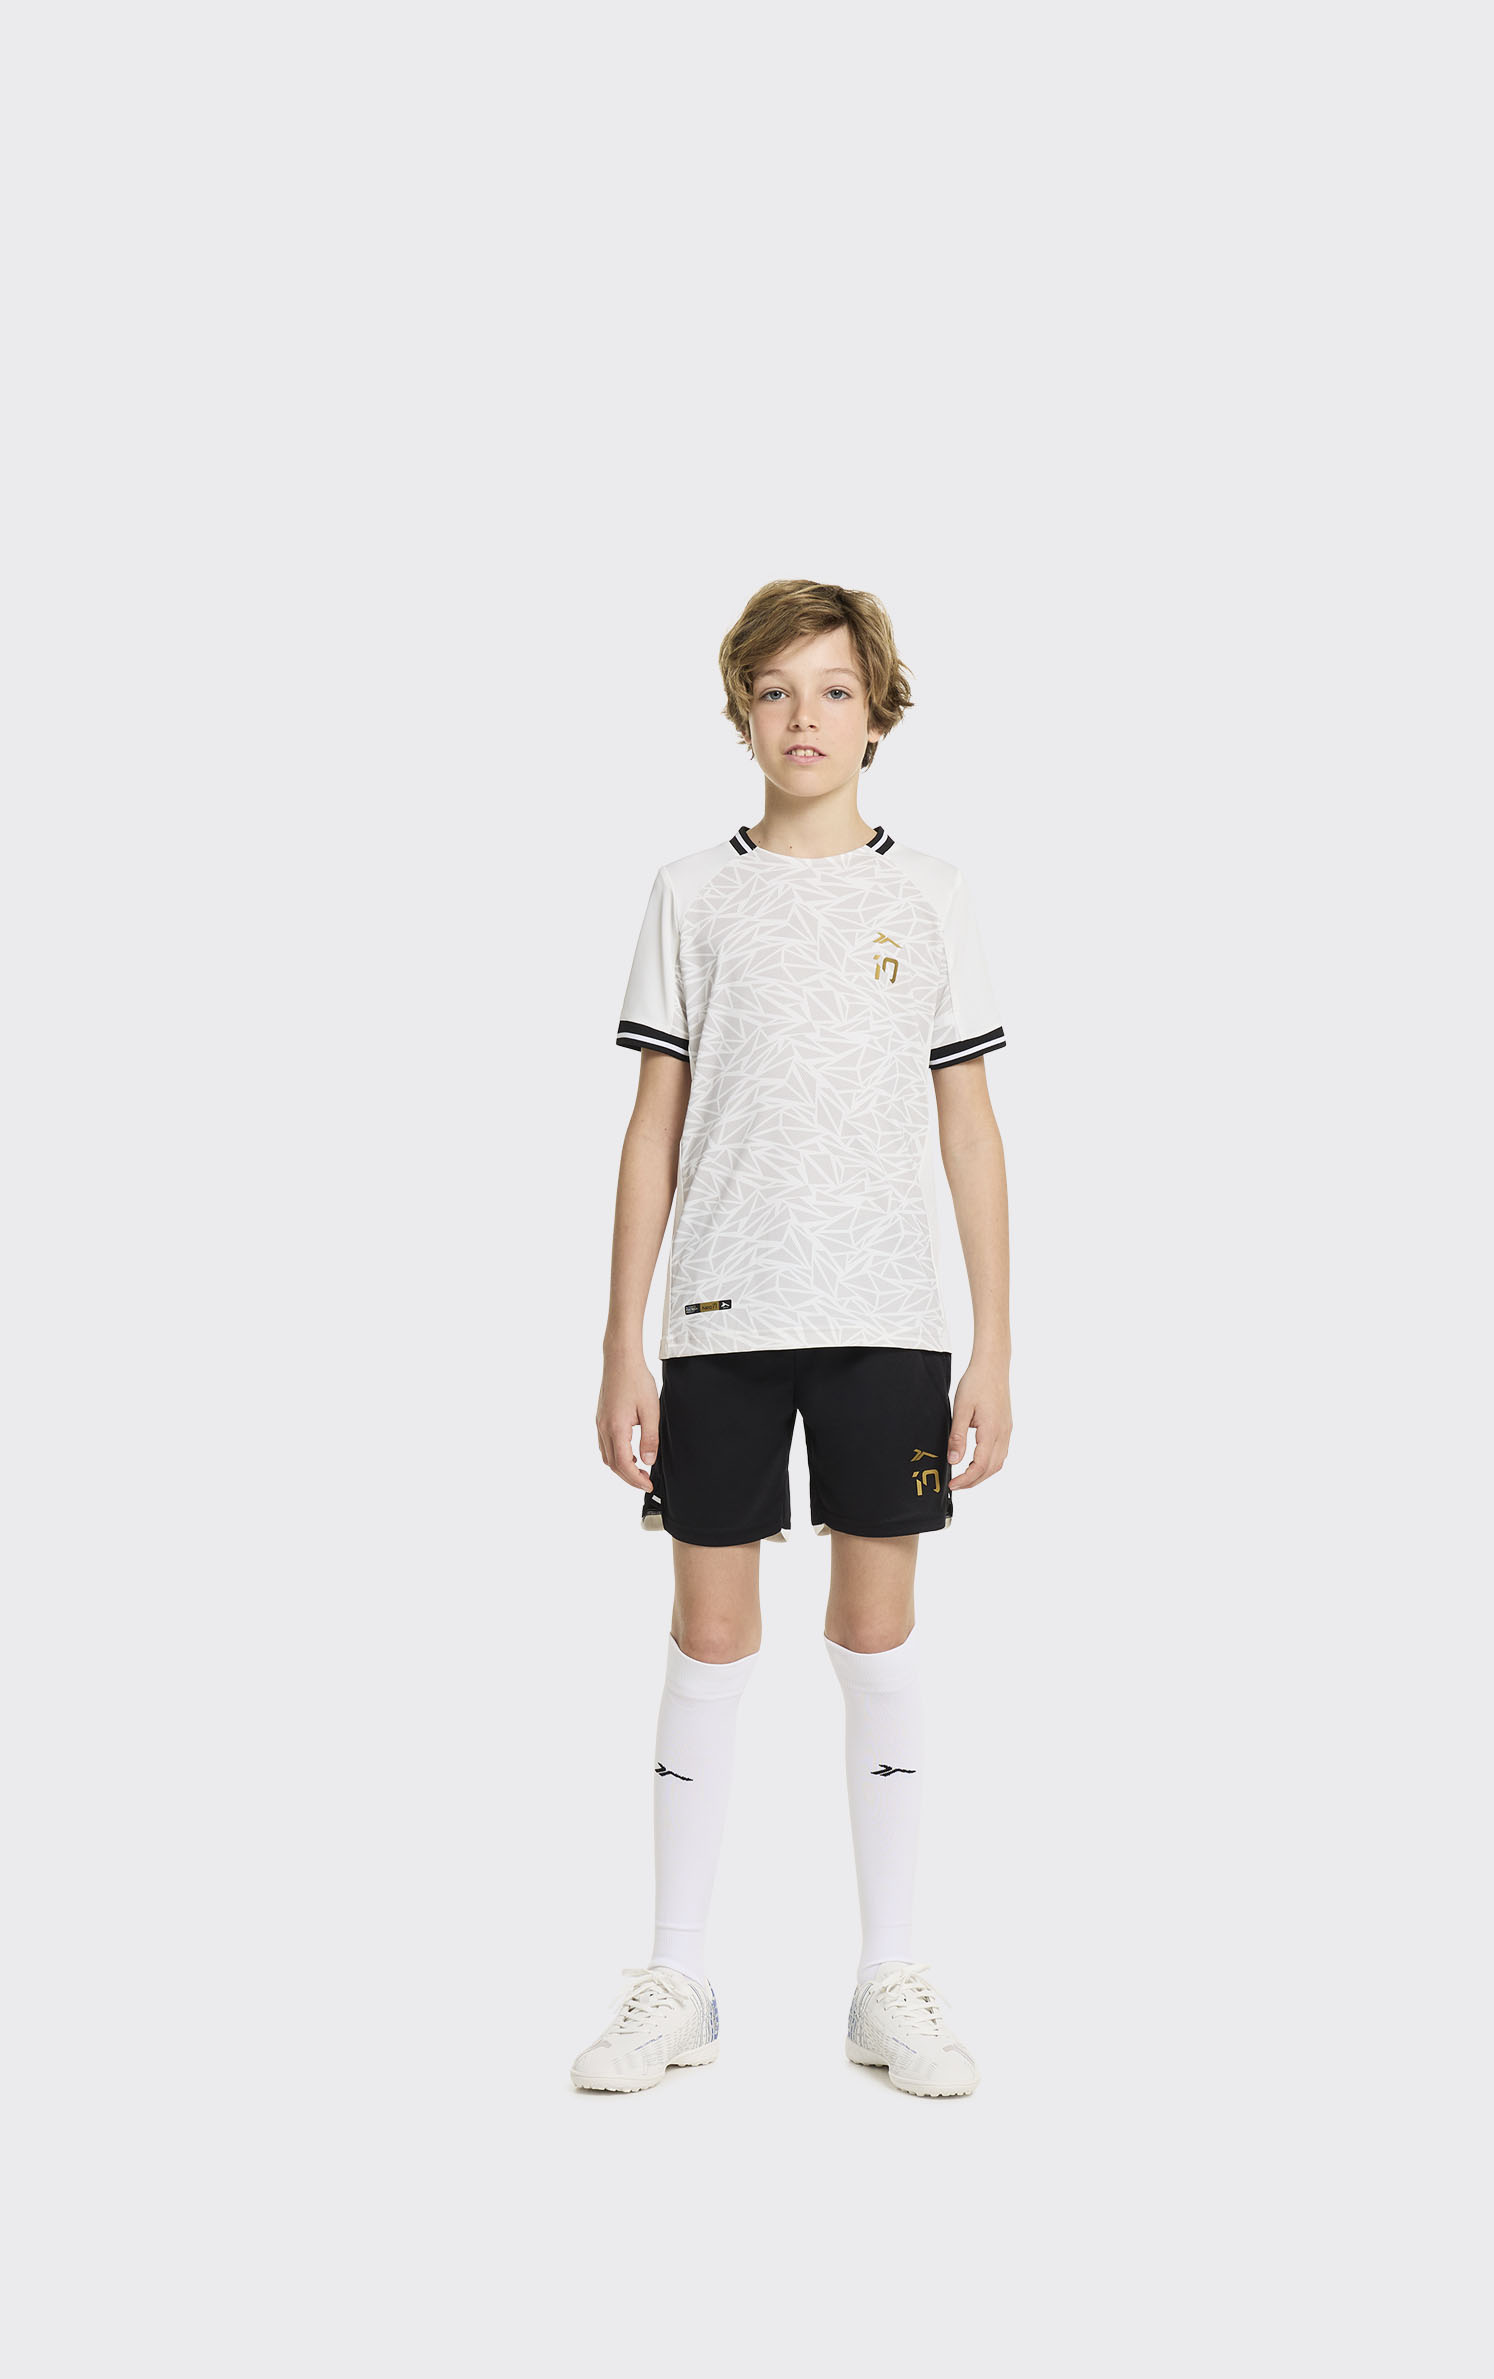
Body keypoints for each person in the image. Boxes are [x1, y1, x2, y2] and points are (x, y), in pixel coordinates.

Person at [572, 580, 1011, 2097]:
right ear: (741, 713)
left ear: (876, 711)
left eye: (832, 690)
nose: (804, 717)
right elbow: (653, 1127)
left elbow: (970, 1126)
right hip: (720, 1321)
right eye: (775, 691)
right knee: (709, 1639)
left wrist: (993, 1344)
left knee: (877, 1639)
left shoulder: (931, 894)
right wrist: (622, 1342)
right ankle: (677, 1977)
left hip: (886, 1319)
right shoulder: (690, 894)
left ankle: (891, 1980)